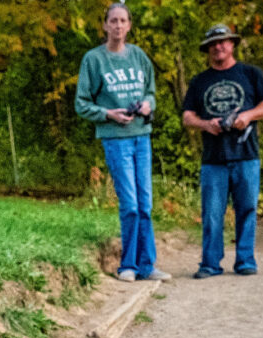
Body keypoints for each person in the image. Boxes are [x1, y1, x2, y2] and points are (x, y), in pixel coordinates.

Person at [76, 3, 170, 282]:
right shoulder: (94, 60)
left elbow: (152, 93)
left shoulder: (139, 56)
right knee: (129, 204)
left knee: (145, 204)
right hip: (116, 138)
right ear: (105, 25)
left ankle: (147, 265)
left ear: (129, 26)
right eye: (113, 21)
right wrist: (108, 113)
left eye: (123, 21)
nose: (118, 26)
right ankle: (127, 265)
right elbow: (81, 103)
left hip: (142, 136)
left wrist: (146, 106)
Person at [182, 24, 263, 278]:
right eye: (213, 44)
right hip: (213, 158)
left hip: (247, 154)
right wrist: (205, 124)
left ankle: (246, 260)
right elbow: (187, 117)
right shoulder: (200, 81)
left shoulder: (250, 73)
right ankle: (210, 264)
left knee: (247, 209)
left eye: (223, 42)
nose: (218, 47)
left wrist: (248, 115)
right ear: (207, 50)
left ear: (232, 44)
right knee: (212, 213)